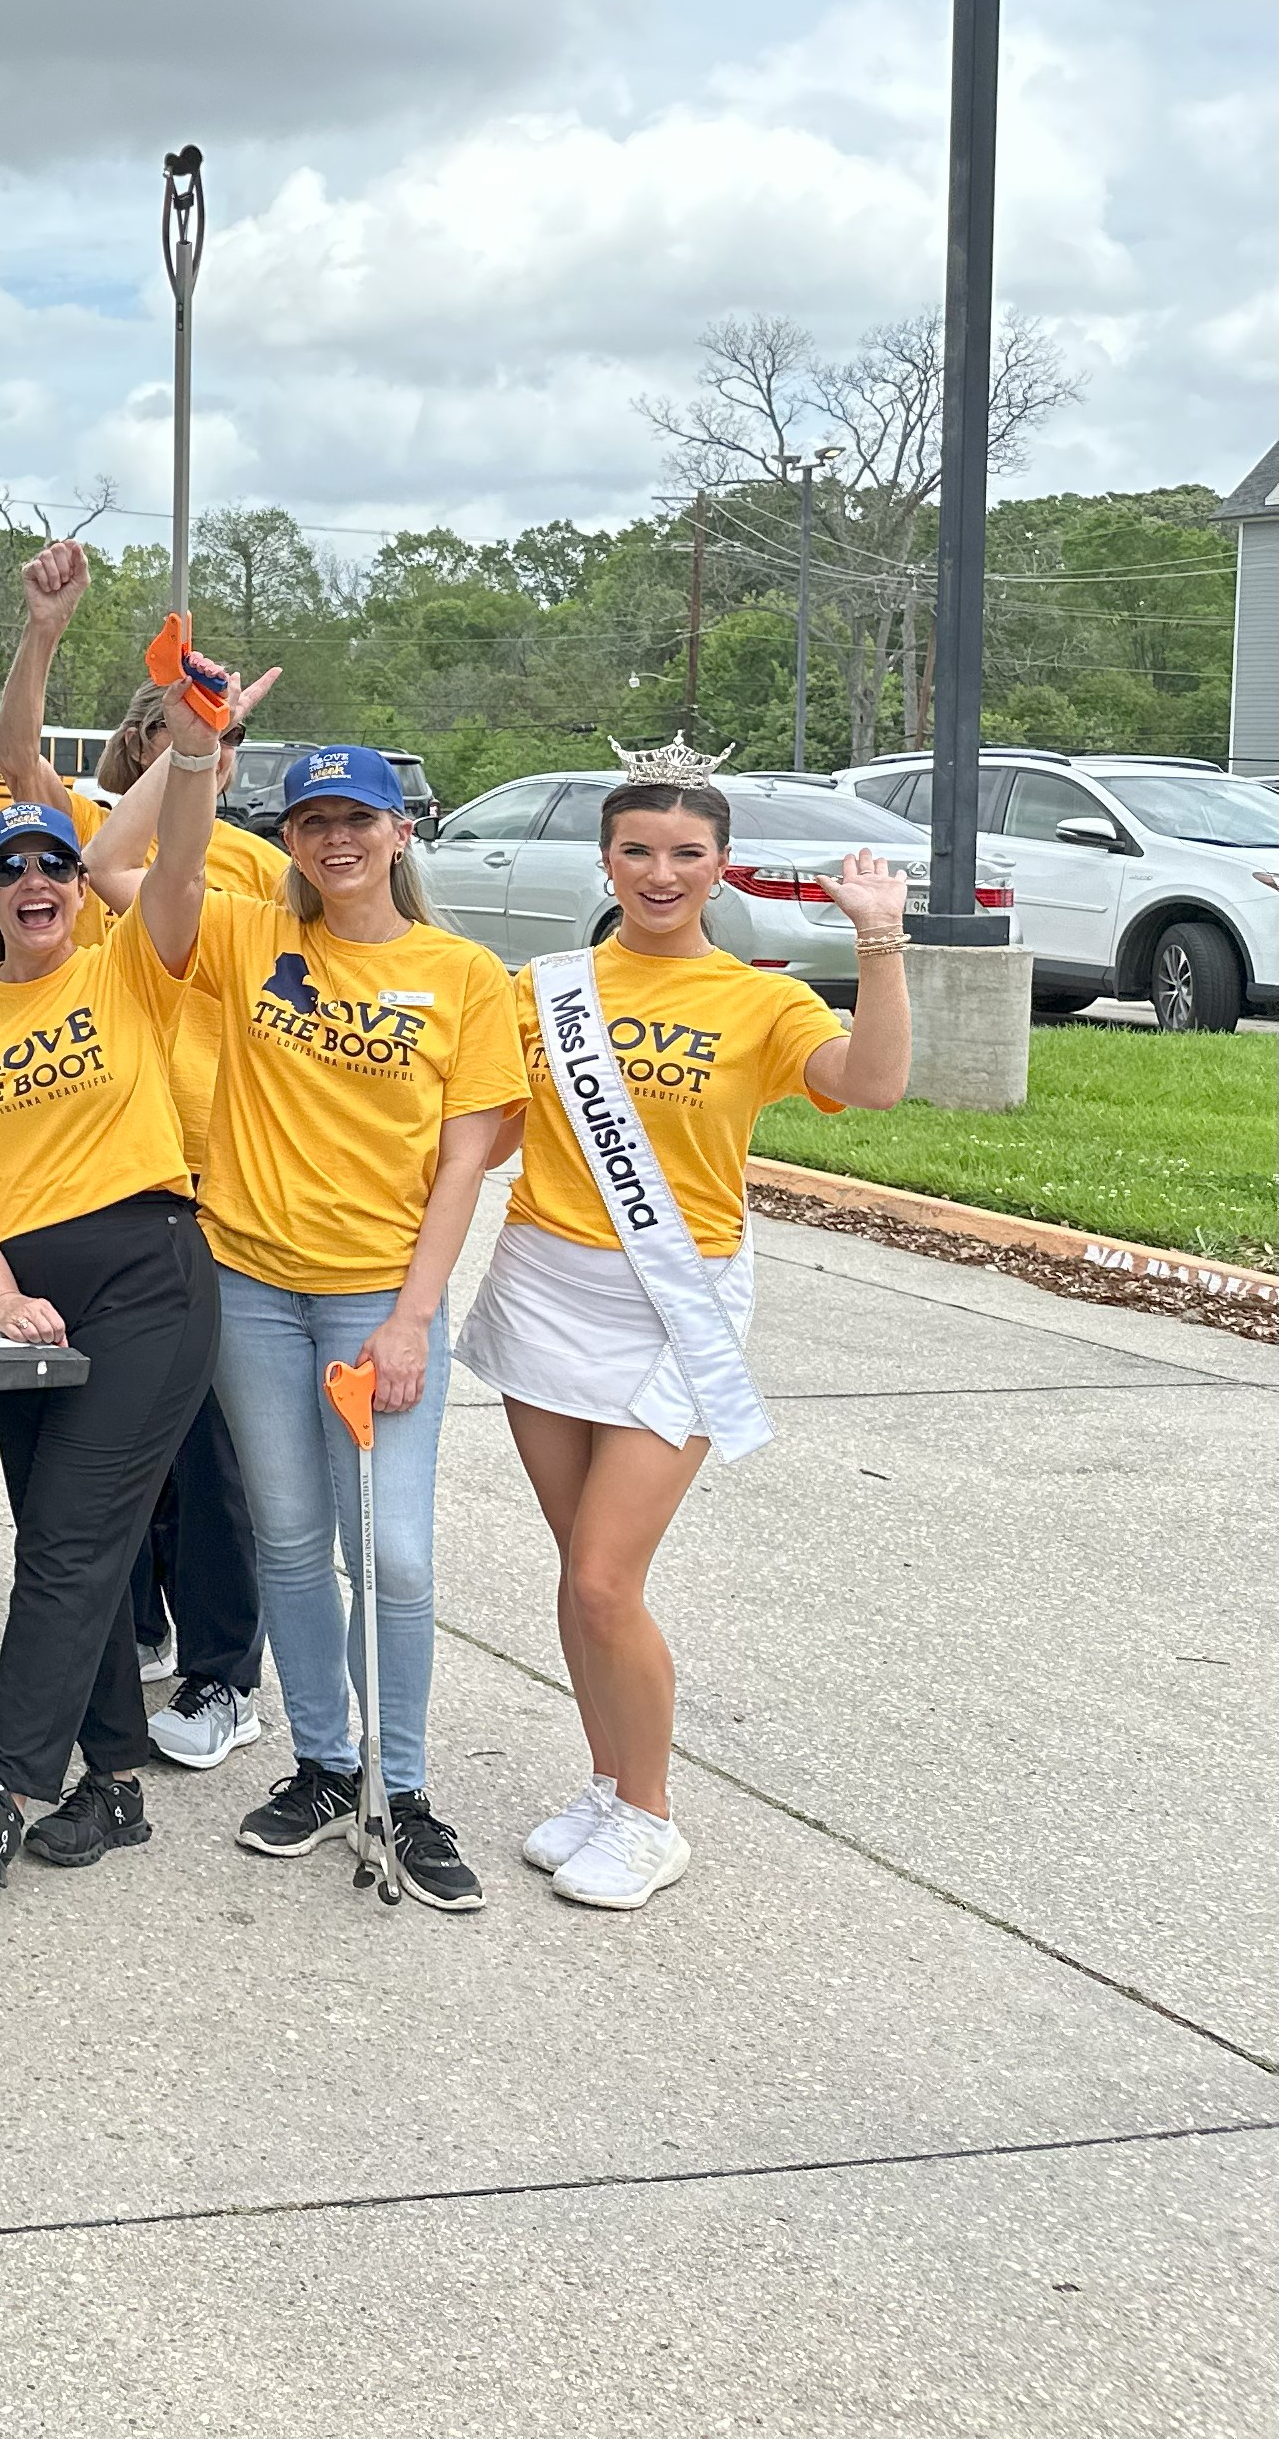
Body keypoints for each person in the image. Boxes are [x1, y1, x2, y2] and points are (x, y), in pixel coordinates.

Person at [459, 755, 911, 1910]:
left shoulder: (760, 1000)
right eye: (638, 851)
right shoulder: (546, 986)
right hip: (545, 1284)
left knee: (608, 1581)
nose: (661, 873)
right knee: (577, 1574)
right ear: (606, 860)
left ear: (720, 867)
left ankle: (654, 1817)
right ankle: (610, 1786)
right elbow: (489, 1135)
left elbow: (872, 1086)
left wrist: (879, 942)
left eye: (687, 854)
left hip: (674, 1299)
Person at [0, 639, 269, 1890]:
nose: (35, 882)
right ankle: (113, 1786)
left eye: (53, 863)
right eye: (8, 870)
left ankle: (6, 1792)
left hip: (150, 1273)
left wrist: (196, 746)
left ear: (74, 886)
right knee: (74, 1543)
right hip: (20, 1301)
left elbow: (171, 863)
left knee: (69, 1534)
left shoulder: (132, 969)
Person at [162, 745, 528, 1909]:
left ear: (401, 830)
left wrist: (418, 1317)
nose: (336, 840)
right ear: (289, 839)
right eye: (312, 821)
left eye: (357, 819)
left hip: (378, 1300)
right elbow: (142, 878)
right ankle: (324, 1767)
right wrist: (186, 761)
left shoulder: (464, 975)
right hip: (252, 1286)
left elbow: (467, 1159)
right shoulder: (247, 937)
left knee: (394, 1551)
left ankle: (405, 1789)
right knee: (285, 1536)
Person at [0, 538, 290, 1763]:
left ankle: (226, 1669)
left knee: (213, 1459)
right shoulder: (92, 866)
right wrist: (49, 639)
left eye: (165, 733)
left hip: (229, 1189)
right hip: (127, 1188)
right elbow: (22, 769)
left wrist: (199, 739)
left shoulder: (263, 871)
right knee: (135, 1452)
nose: (147, 748)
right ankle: (151, 1626)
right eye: (138, 737)